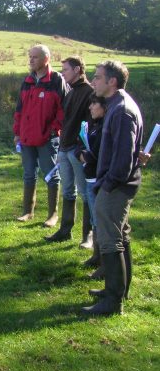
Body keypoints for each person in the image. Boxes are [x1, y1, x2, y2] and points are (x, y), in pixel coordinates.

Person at [82, 60, 143, 316]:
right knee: (121, 236)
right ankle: (118, 291)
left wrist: (105, 185)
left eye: (97, 77)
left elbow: (123, 158)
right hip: (116, 183)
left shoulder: (121, 110)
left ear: (112, 81)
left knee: (110, 240)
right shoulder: (118, 105)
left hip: (116, 186)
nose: (93, 81)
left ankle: (112, 301)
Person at [13, 44, 67, 227]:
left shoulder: (57, 80)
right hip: (26, 138)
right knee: (29, 174)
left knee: (52, 175)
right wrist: (17, 133)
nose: (31, 60)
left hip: (47, 139)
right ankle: (27, 211)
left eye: (34, 57)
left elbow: (63, 110)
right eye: (30, 57)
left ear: (46, 59)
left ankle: (53, 215)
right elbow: (19, 109)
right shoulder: (27, 81)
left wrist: (52, 130)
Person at [45, 56, 94, 246]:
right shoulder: (71, 92)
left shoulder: (89, 92)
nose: (62, 72)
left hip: (77, 150)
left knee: (85, 192)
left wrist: (80, 149)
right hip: (64, 148)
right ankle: (65, 230)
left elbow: (90, 125)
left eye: (65, 69)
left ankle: (87, 236)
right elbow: (65, 120)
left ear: (77, 70)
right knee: (67, 191)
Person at [75, 95, 106, 279]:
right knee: (95, 220)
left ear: (104, 107)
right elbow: (81, 144)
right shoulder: (92, 125)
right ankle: (96, 256)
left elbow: (98, 153)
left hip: (97, 179)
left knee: (100, 222)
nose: (91, 107)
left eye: (94, 104)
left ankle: (103, 262)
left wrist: (87, 156)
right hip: (88, 179)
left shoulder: (104, 128)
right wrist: (81, 154)